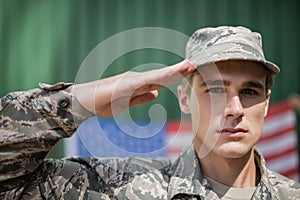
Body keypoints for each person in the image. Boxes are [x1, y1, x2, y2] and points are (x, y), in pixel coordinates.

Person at [0, 26, 299, 199]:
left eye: (249, 92)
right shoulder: (120, 187)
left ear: (266, 102)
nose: (234, 109)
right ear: (184, 100)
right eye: (215, 90)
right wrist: (86, 97)